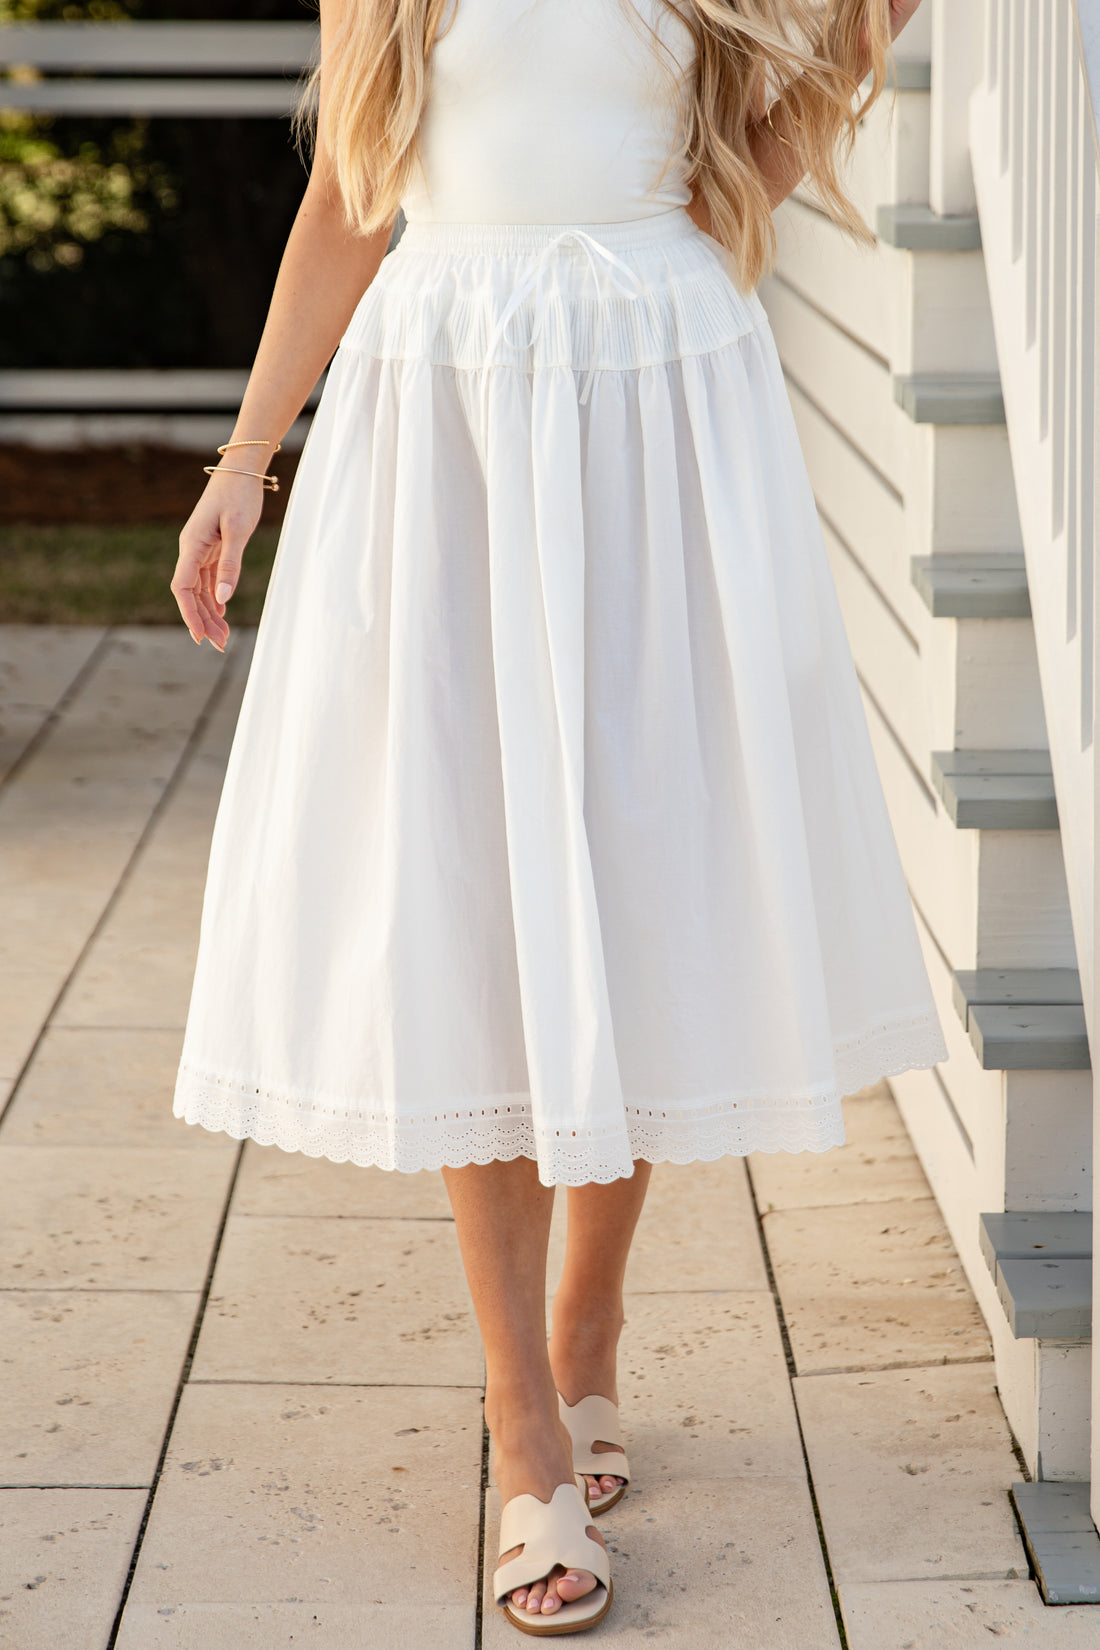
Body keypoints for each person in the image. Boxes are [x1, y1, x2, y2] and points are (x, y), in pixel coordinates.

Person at [170, 0, 941, 1633]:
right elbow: (349, 198)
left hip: (665, 407)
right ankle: (525, 1423)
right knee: (483, 896)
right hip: (444, 415)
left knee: (642, 877)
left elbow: (758, 154)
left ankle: (588, 1323)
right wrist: (245, 458)